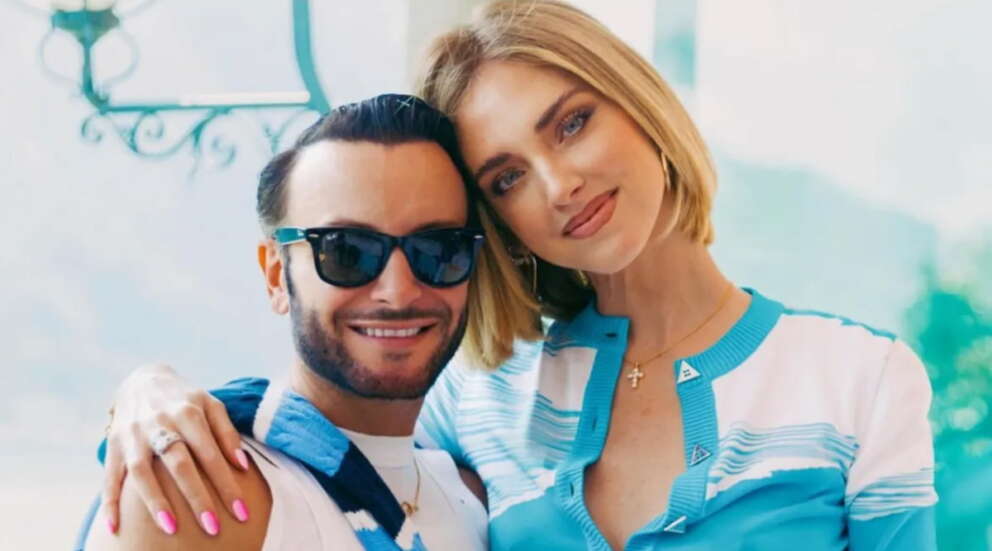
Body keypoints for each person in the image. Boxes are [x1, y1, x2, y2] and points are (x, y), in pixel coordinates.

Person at [95, 1, 938, 549]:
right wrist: (148, 391)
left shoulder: (861, 379)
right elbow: (329, 438)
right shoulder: (478, 399)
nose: (559, 184)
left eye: (571, 123)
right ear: (497, 224)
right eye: (506, 178)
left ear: (639, 103)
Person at [81, 94, 489, 551]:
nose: (398, 291)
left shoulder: (470, 496)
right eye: (346, 250)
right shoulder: (194, 489)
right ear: (276, 274)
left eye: (438, 249)